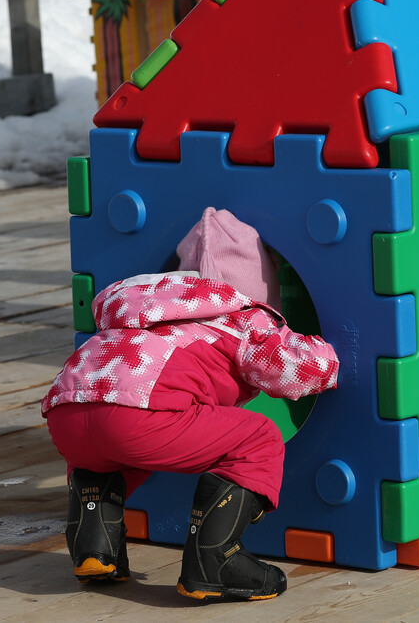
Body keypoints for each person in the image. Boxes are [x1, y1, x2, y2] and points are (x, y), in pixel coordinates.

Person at [42, 207, 340, 601]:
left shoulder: (140, 313)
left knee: (110, 448)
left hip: (67, 413)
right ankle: (215, 561)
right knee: (257, 438)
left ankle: (94, 543)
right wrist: (330, 355)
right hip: (136, 416)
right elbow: (296, 369)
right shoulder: (239, 317)